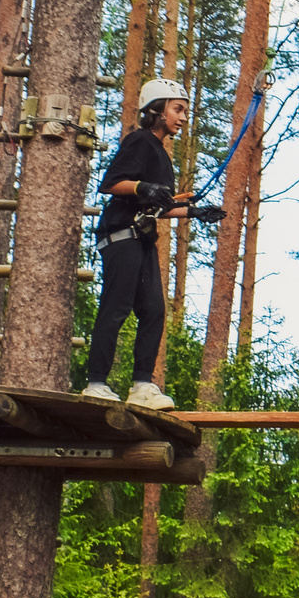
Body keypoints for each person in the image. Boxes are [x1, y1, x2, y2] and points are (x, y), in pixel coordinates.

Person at [82, 79, 213, 412]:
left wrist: (194, 212)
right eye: (178, 109)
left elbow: (159, 206)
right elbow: (111, 184)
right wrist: (143, 187)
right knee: (116, 308)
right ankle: (96, 383)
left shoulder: (161, 154)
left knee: (154, 309)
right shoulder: (140, 141)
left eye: (185, 111)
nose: (183, 117)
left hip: (141, 238)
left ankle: (142, 385)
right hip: (121, 236)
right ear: (157, 109)